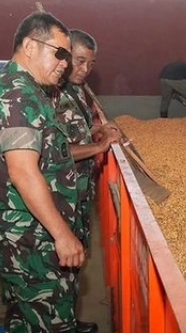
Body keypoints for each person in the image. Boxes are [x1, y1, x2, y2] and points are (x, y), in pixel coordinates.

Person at [0, 11, 84, 332]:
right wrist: (62, 234)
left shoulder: (25, 87)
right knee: (52, 322)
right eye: (59, 53)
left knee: (26, 321)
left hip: (25, 234)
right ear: (29, 46)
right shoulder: (17, 94)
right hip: (30, 239)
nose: (65, 63)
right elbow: (23, 172)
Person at [56, 29, 122, 333]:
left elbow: (78, 134)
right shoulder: (49, 94)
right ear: (65, 56)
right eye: (79, 61)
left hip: (77, 194)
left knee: (70, 269)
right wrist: (98, 146)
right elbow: (53, 152)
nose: (84, 69)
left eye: (90, 64)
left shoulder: (76, 92)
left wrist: (100, 131)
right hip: (57, 197)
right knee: (52, 274)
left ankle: (66, 320)